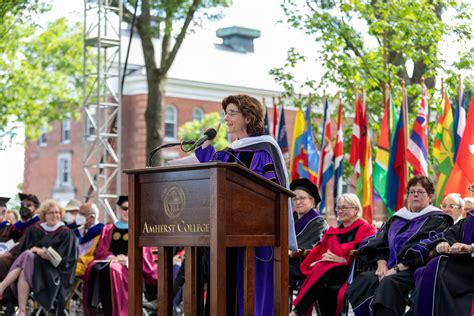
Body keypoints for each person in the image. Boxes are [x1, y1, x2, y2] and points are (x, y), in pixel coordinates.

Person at [195, 94, 297, 316]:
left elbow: (271, 193)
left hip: (257, 236)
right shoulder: (228, 152)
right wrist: (205, 147)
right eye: (225, 113)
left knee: (254, 293)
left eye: (232, 113)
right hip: (226, 235)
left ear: (249, 118)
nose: (226, 118)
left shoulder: (263, 150)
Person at [346, 175, 453, 316]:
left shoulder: (438, 219)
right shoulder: (397, 219)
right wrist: (381, 264)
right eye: (412, 191)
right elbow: (379, 242)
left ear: (430, 197)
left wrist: (396, 269)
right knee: (365, 280)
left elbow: (425, 248)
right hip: (388, 268)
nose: (415, 195)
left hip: (416, 269)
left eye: (420, 192)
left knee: (389, 282)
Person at [289, 193, 377, 316]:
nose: (340, 211)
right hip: (330, 272)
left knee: (322, 269)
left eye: (345, 208)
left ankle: (298, 311)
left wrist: (343, 260)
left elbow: (367, 251)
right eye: (338, 208)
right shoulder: (334, 232)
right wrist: (323, 257)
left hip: (352, 272)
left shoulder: (366, 228)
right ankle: (300, 311)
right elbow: (323, 250)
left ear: (356, 210)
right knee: (321, 268)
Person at [83, 195, 157, 316]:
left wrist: (129, 260)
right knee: (92, 267)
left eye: (130, 208)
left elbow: (145, 254)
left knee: (113, 269)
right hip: (109, 263)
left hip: (130, 268)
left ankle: (119, 311)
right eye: (124, 208)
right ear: (119, 209)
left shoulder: (140, 230)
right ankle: (95, 309)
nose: (127, 211)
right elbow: (101, 250)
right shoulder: (109, 229)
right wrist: (112, 258)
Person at [0, 199, 78, 315]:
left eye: (57, 212)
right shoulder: (36, 230)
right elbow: (22, 247)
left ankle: (2, 286)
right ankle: (21, 311)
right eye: (50, 213)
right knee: (24, 267)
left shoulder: (66, 233)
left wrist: (42, 252)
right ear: (44, 215)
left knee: (27, 256)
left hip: (52, 273)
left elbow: (64, 260)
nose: (55, 215)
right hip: (34, 271)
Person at [406, 196, 474, 316]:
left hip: (468, 272)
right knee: (428, 269)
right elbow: (449, 235)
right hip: (462, 268)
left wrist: (470, 247)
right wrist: (443, 243)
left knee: (437, 266)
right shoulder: (469, 220)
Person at [288, 178, 328, 288]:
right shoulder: (290, 219)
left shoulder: (319, 222)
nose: (298, 202)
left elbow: (307, 245)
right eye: (294, 198)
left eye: (302, 198)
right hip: (286, 261)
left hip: (303, 265)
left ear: (312, 201)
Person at [0, 193, 41, 280]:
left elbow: (24, 243)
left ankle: (5, 290)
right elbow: (5, 239)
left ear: (36, 209)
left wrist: (10, 253)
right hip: (10, 253)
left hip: (23, 256)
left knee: (1, 262)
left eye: (28, 205)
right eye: (22, 204)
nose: (24, 207)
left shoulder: (38, 225)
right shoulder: (18, 225)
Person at [74, 202, 104, 277]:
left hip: (89, 266)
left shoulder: (103, 233)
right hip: (75, 263)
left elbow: (100, 257)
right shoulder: (78, 231)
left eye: (82, 214)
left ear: (92, 217)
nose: (78, 216)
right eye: (78, 213)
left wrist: (80, 259)